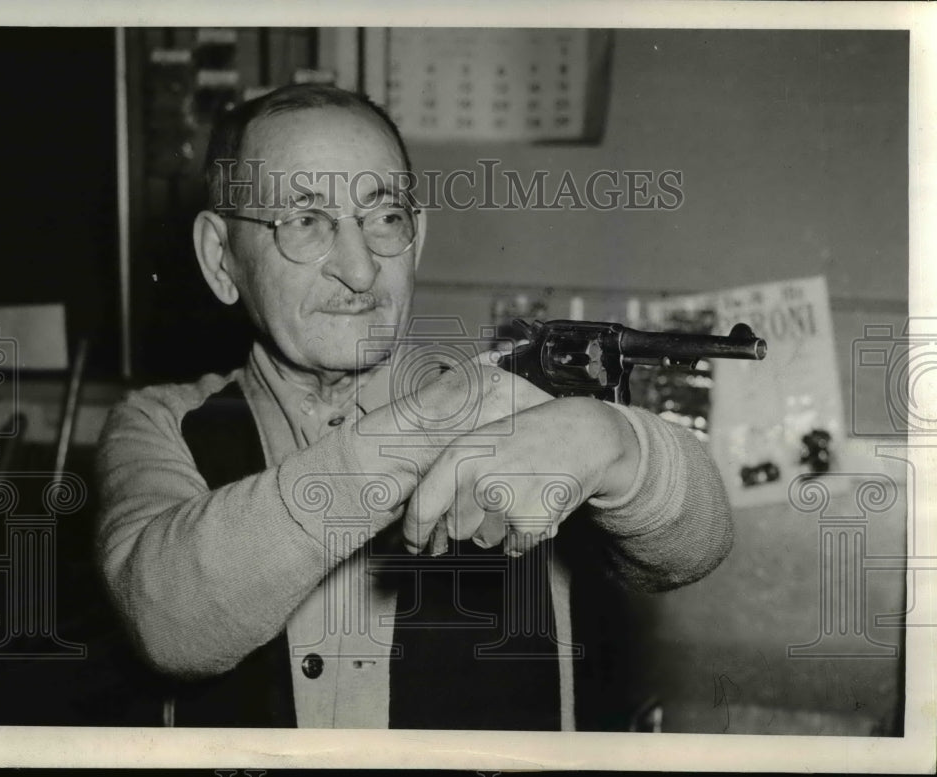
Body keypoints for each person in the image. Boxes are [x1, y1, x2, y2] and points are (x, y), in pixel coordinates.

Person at [96, 83, 733, 730]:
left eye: (384, 218)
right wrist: (434, 423)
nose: (360, 268)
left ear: (417, 237)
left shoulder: (516, 409)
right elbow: (168, 620)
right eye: (306, 221)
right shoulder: (161, 423)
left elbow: (696, 545)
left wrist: (618, 444)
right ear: (220, 258)